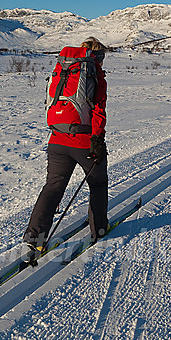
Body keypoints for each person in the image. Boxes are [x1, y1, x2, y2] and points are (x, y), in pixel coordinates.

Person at [24, 37, 108, 252]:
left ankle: (35, 237)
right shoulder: (95, 75)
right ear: (98, 56)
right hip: (83, 142)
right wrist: (97, 141)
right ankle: (99, 229)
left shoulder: (63, 70)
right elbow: (98, 111)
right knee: (98, 183)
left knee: (53, 187)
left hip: (56, 140)